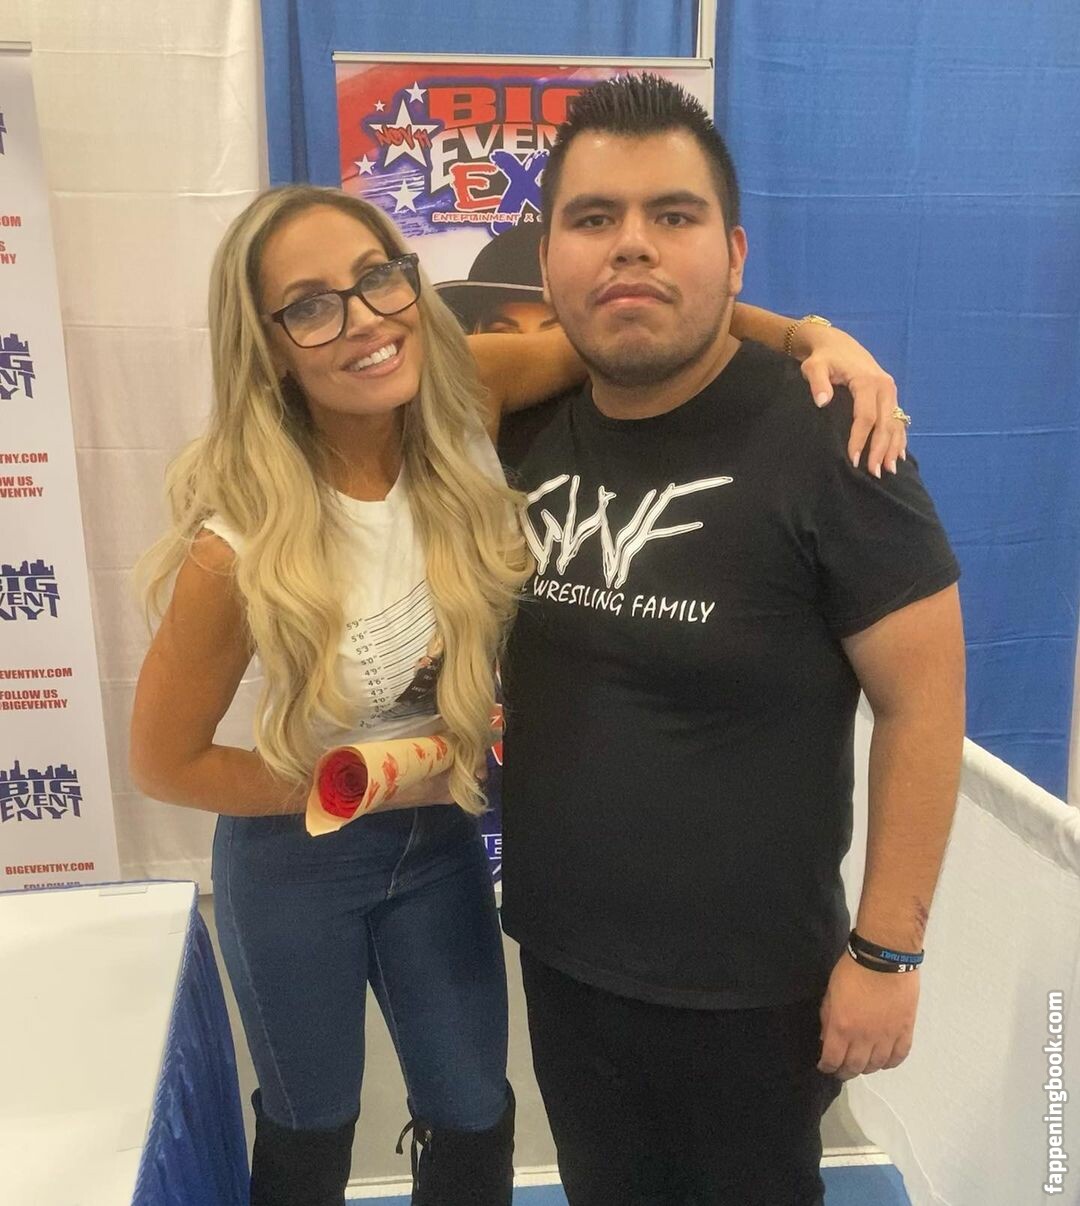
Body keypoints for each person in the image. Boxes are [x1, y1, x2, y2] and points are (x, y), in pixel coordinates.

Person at [128, 181, 908, 1205]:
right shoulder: (238, 539)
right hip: (294, 861)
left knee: (472, 1113)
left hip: (437, 847)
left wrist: (812, 338)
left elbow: (639, 329)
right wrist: (344, 787)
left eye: (377, 279)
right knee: (311, 1124)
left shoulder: (469, 397)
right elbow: (164, 761)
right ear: (269, 345)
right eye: (311, 305)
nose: (362, 321)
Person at [499, 74, 966, 1206]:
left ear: (735, 251)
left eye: (674, 215)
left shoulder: (832, 435)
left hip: (755, 998)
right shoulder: (516, 423)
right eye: (594, 218)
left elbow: (924, 703)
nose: (632, 245)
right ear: (548, 261)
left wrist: (888, 951)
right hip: (564, 961)